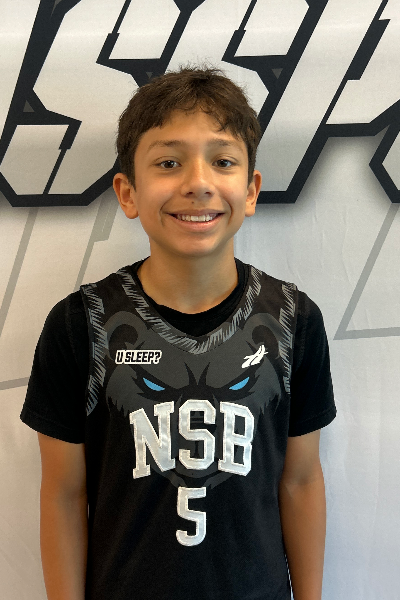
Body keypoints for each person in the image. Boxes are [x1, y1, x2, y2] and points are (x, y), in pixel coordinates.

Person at [21, 67, 336, 600]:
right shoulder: (81, 324)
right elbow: (64, 495)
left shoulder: (293, 320)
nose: (198, 182)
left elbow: (301, 481)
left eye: (223, 161)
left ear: (251, 190)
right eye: (169, 163)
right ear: (128, 193)